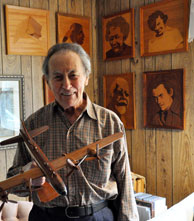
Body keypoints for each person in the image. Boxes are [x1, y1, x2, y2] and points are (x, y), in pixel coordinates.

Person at [7, 43, 138, 221]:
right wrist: (27, 176)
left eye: (73, 75)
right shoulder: (32, 124)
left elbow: (124, 182)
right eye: (58, 77)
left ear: (86, 78)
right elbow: (11, 183)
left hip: (98, 216)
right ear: (47, 82)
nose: (67, 85)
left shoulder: (110, 123)